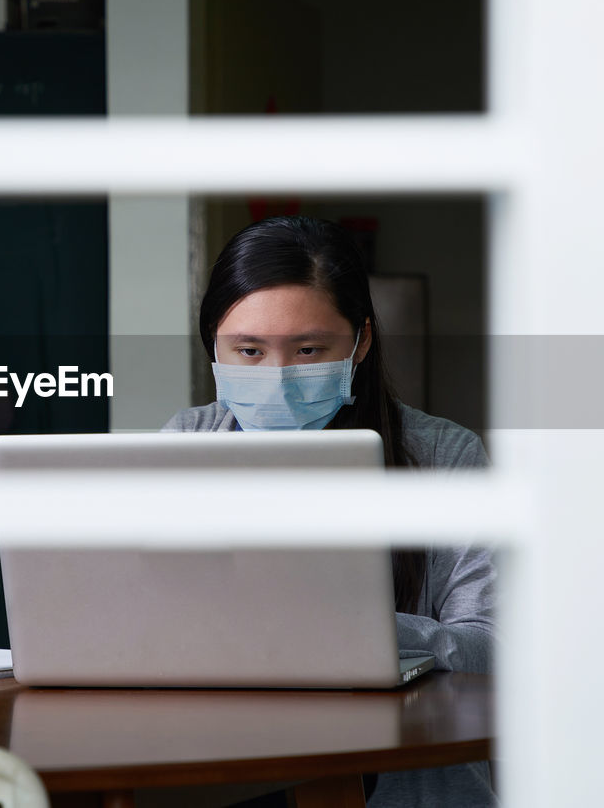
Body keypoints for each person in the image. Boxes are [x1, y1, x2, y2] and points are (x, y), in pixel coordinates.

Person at [162, 215, 496, 808]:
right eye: (248, 351)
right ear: (213, 344)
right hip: (216, 768)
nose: (278, 379)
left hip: (399, 782)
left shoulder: (445, 455)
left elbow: (492, 648)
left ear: (361, 341)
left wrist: (359, 631)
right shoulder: (184, 442)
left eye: (309, 349)